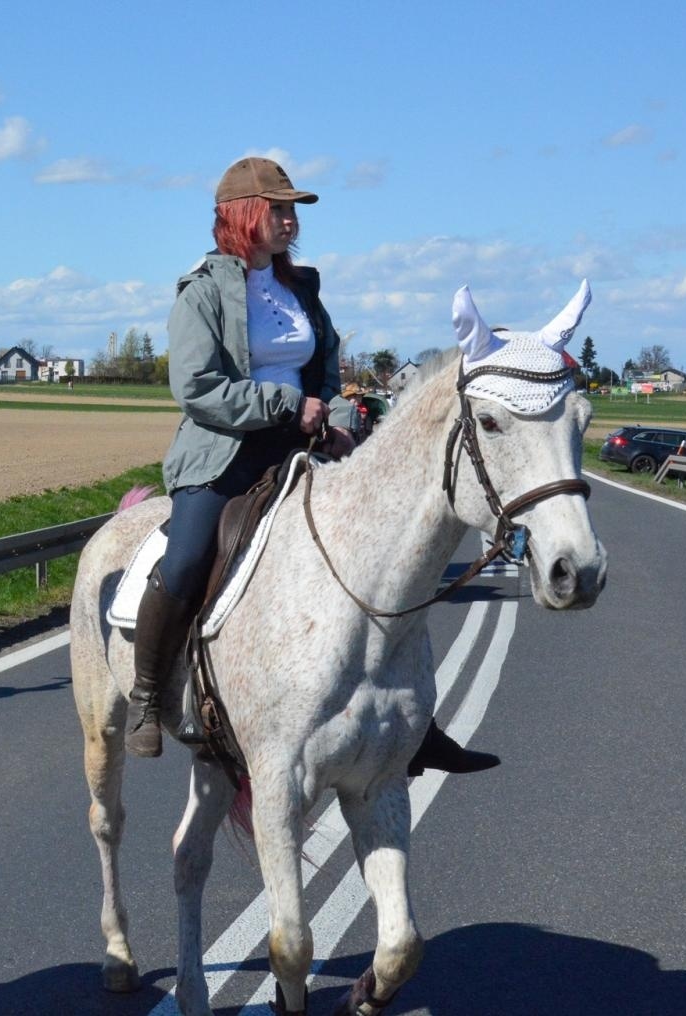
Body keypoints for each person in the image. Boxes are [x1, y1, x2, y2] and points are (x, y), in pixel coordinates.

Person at [127, 155, 498, 780]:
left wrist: (329, 419)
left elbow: (324, 365)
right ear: (242, 216)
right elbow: (196, 388)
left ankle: (416, 724)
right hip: (223, 453)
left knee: (384, 562)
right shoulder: (203, 292)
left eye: (292, 210)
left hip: (300, 447)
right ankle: (146, 695)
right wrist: (284, 404)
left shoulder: (301, 288)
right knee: (187, 558)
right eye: (278, 209)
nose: (290, 221)